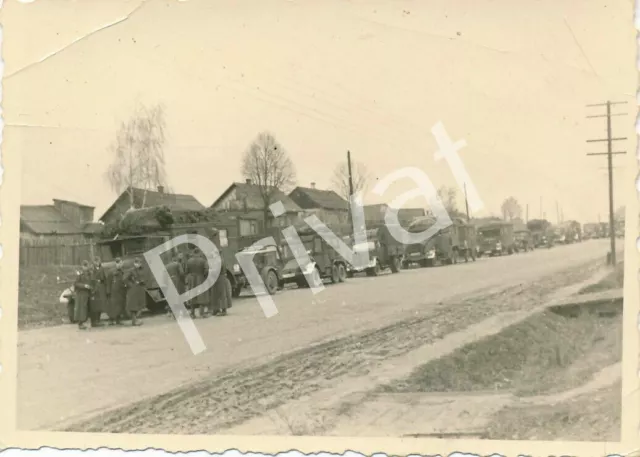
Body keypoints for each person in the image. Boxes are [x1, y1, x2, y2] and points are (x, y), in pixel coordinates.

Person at [185, 248, 209, 318]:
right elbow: (206, 270)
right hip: (200, 279)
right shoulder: (203, 260)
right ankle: (202, 313)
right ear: (199, 253)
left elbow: (186, 271)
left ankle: (192, 314)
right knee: (201, 295)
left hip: (192, 279)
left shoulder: (189, 261)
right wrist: (204, 276)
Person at [124, 257, 146, 326]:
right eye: (137, 263)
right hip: (133, 290)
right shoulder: (131, 270)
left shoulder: (141, 270)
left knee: (140, 305)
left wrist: (143, 282)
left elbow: (143, 278)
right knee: (133, 306)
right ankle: (134, 321)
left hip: (139, 289)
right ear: (134, 263)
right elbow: (125, 279)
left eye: (140, 263)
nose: (139, 264)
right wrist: (131, 285)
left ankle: (135, 319)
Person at [73, 260, 94, 330]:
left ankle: (88, 322)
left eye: (86, 265)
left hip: (88, 293)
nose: (86, 267)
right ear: (82, 266)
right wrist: (84, 285)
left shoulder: (90, 274)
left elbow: (92, 282)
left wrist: (91, 287)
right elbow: (76, 284)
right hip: (81, 294)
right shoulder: (80, 274)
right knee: (81, 309)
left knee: (87, 309)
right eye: (84, 266)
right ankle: (80, 323)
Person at [106, 257, 126, 325]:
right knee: (113, 306)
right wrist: (108, 292)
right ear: (116, 263)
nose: (120, 265)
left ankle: (118, 320)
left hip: (120, 291)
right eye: (118, 263)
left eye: (121, 263)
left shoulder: (122, 271)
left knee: (120, 306)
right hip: (113, 292)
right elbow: (108, 282)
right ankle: (111, 320)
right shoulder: (111, 272)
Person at [90, 256, 107, 327]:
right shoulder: (92, 269)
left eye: (98, 261)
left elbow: (104, 278)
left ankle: (98, 320)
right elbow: (91, 279)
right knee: (95, 306)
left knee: (100, 305)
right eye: (95, 261)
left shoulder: (102, 269)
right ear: (94, 262)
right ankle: (94, 321)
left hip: (101, 289)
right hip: (95, 289)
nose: (97, 263)